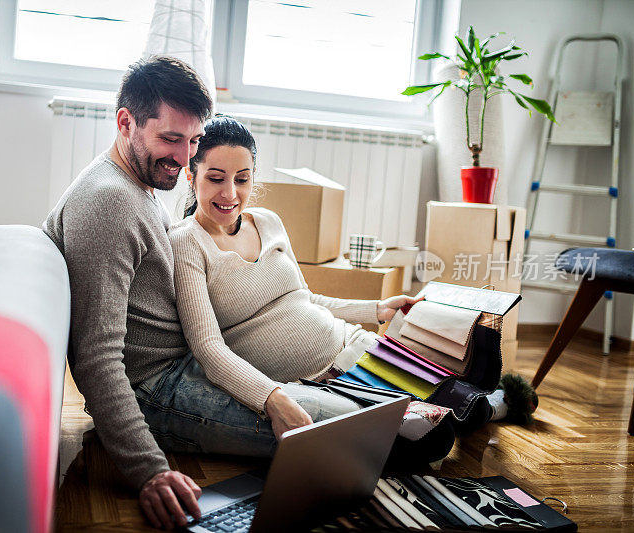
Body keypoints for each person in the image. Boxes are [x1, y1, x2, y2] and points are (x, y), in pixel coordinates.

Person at [137, 116, 447, 470]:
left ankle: (489, 402)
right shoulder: (186, 242)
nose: (230, 194)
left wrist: (377, 309)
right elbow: (208, 347)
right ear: (191, 177)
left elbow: (305, 298)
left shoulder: (268, 221)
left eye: (242, 179)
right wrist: (272, 398)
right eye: (215, 178)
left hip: (350, 345)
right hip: (313, 383)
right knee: (420, 440)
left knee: (458, 402)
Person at [43, 55, 212, 531]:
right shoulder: (110, 203)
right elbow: (96, 357)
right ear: (126, 122)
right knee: (332, 430)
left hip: (190, 364)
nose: (185, 159)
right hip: (158, 391)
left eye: (193, 140)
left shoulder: (136, 184)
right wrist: (150, 471)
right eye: (171, 139)